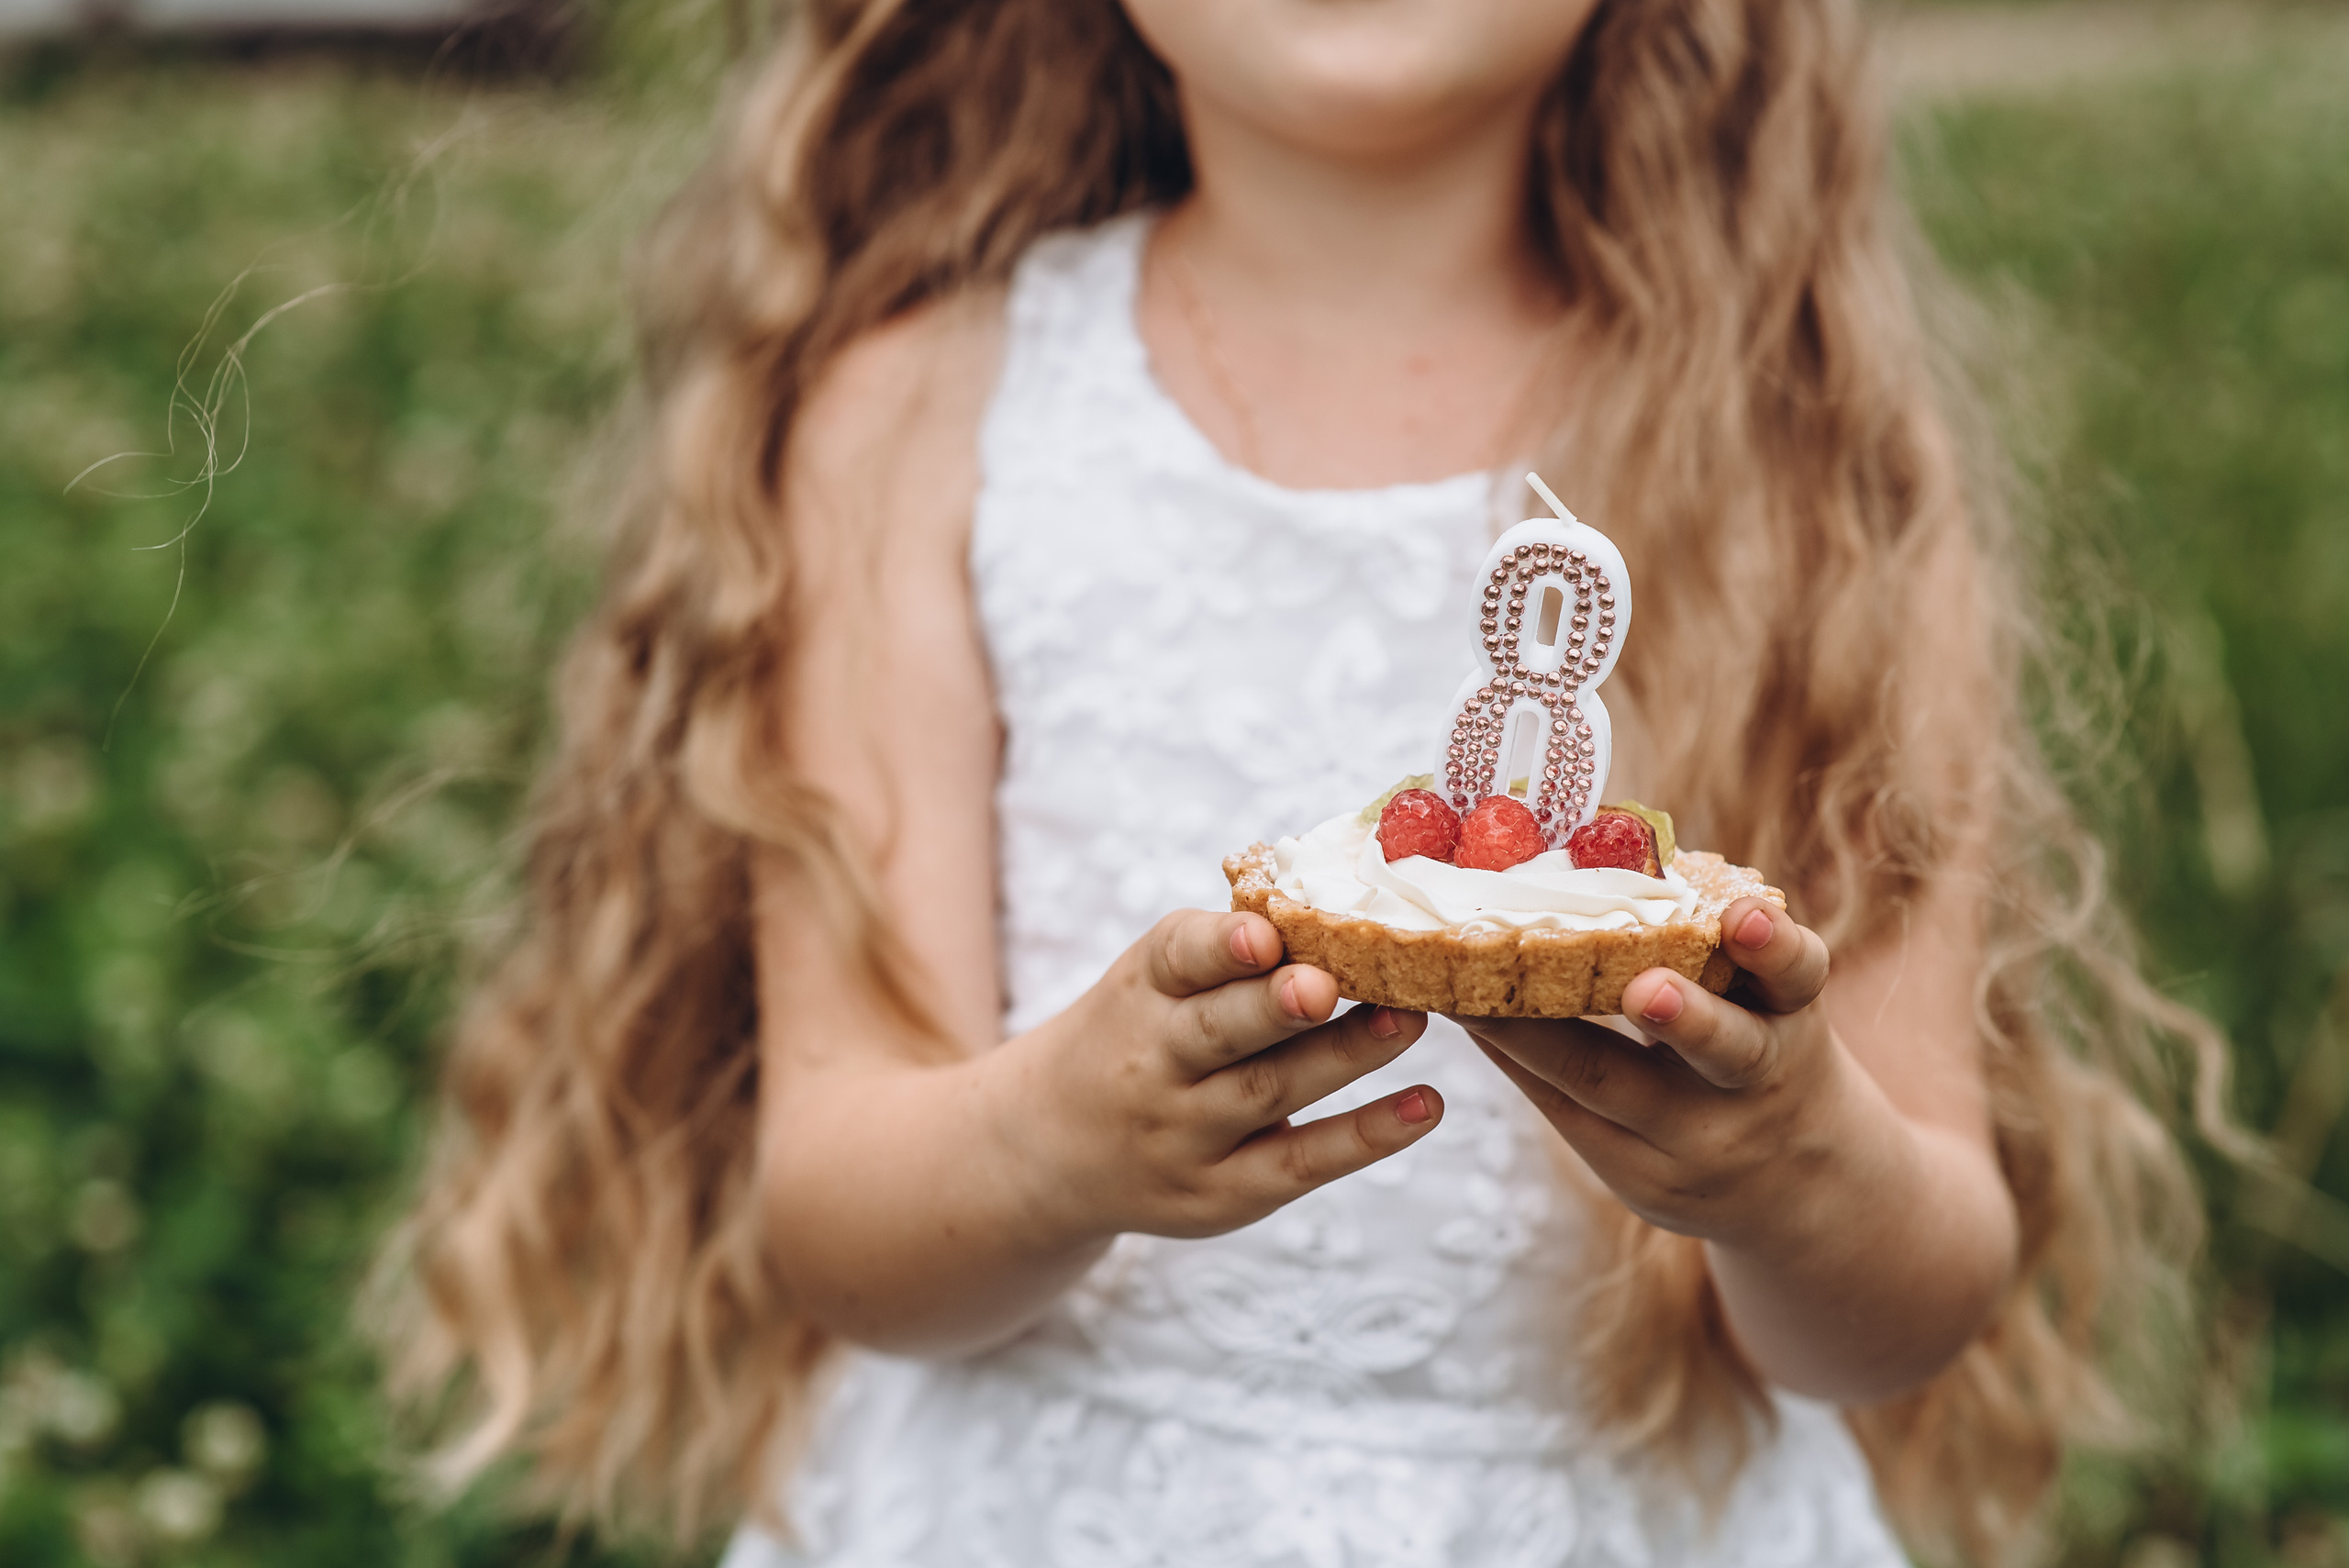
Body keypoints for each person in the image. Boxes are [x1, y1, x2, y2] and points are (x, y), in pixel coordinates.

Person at [379, 2, 2226, 1563]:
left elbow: (1901, 1308)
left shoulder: (1812, 452)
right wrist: (1049, 1143)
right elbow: (841, 1223)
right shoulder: (916, 415)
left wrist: (1787, 1164)